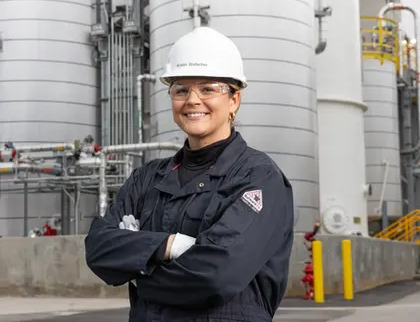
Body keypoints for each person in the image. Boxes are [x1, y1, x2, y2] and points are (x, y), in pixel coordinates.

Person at [85, 26, 294, 322]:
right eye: (181, 90)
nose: (193, 100)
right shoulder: (147, 178)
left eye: (208, 88)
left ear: (234, 100)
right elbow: (98, 248)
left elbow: (215, 275)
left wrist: (139, 268)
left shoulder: (258, 178)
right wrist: (170, 246)